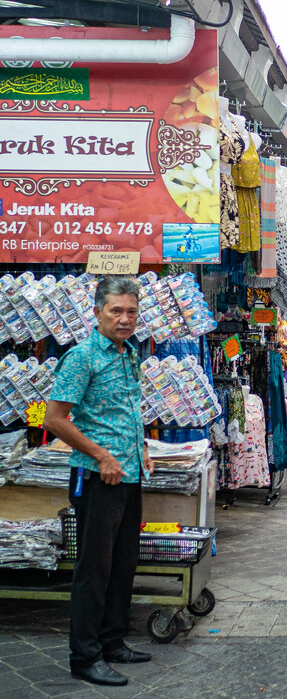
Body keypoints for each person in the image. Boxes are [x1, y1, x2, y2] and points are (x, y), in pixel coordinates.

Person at [42, 276, 153, 686]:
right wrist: (101, 454)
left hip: (129, 473)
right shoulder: (82, 357)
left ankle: (112, 641)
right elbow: (53, 420)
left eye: (131, 311)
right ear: (97, 313)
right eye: (116, 311)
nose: (125, 319)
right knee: (95, 569)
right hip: (96, 476)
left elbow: (127, 408)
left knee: (124, 564)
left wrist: (139, 448)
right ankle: (85, 657)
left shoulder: (129, 354)